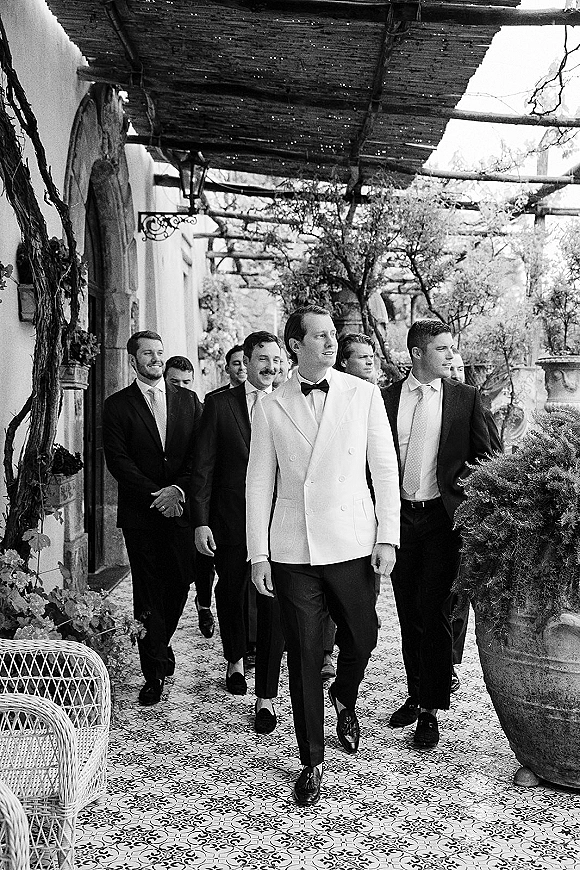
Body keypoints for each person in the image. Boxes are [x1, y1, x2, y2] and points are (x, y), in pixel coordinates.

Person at [246, 304, 400, 806]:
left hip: (353, 541)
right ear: (295, 345)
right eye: (320, 336)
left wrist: (387, 536)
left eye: (333, 335)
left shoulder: (363, 394)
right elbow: (258, 483)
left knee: (364, 636)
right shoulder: (270, 406)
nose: (331, 343)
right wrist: (258, 553)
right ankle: (311, 759)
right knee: (306, 655)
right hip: (293, 547)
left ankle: (345, 696)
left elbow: (385, 469)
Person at [382, 320, 491, 747]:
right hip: (398, 520)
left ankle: (430, 708)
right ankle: (415, 693)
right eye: (442, 349)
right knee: (408, 611)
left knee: (436, 610)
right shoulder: (385, 399)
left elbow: (488, 460)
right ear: (416, 353)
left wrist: (480, 521)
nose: (450, 355)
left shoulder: (466, 400)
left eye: (451, 348)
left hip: (444, 522)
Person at [192, 331, 285, 734]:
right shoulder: (218, 405)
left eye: (276, 360)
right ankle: (233, 659)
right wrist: (200, 519)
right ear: (246, 361)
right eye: (262, 359)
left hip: (279, 522)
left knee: (272, 603)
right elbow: (203, 468)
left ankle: (266, 695)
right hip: (229, 520)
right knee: (230, 593)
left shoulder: (288, 402)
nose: (271, 367)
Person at [103, 331, 202, 706]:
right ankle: (154, 671)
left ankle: (161, 642)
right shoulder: (117, 406)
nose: (155, 358)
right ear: (133, 360)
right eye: (147, 353)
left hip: (180, 510)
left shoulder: (189, 401)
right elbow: (119, 461)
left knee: (179, 581)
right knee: (147, 588)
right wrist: (155, 496)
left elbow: (199, 454)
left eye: (159, 352)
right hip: (141, 514)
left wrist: (177, 491)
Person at [448, 351, 502, 691]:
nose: (451, 373)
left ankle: (449, 662)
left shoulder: (474, 406)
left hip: (461, 512)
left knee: (456, 592)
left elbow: (492, 459)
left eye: (456, 368)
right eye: (447, 366)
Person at [164, 355, 215, 640]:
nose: (181, 388)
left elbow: (203, 458)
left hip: (196, 498)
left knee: (205, 560)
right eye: (175, 382)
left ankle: (204, 604)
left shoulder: (201, 407)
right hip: (166, 501)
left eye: (186, 382)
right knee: (178, 572)